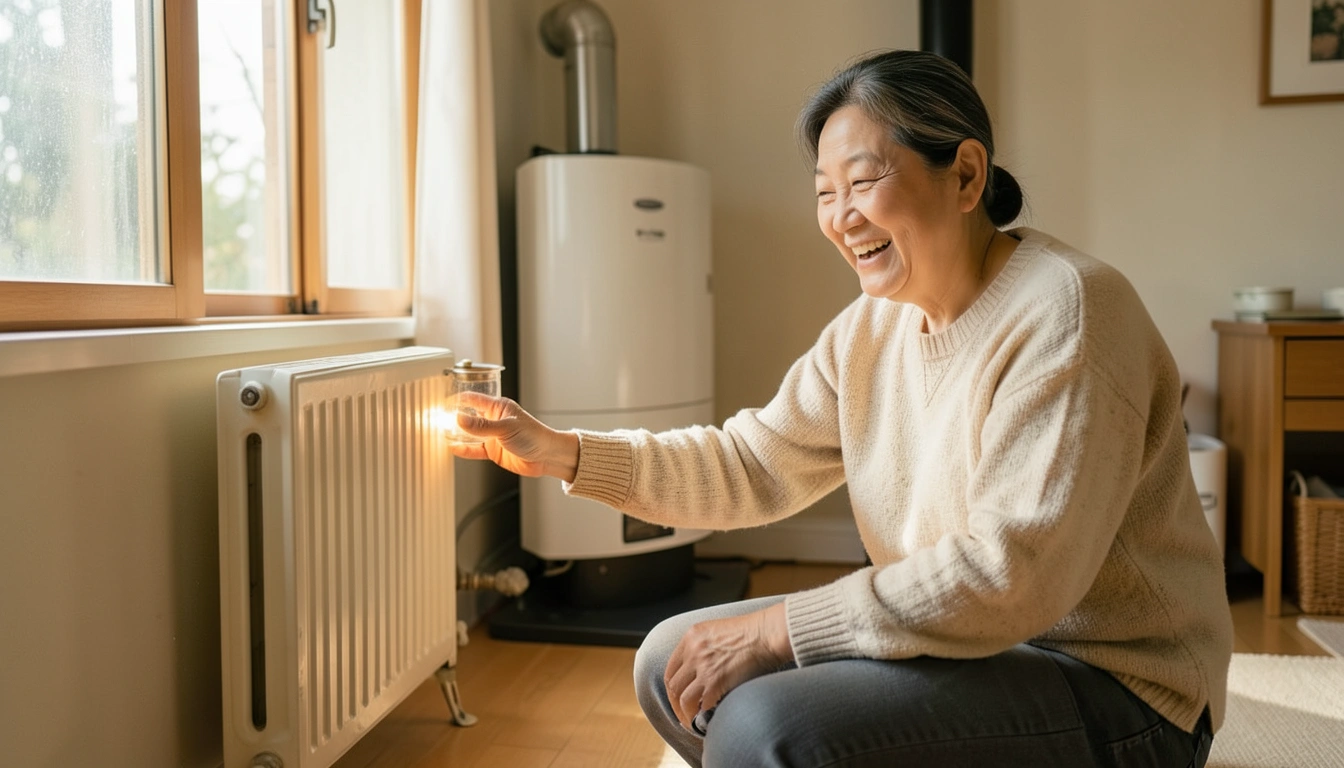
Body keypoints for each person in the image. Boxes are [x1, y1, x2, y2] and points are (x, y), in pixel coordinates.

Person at [450, 49, 1233, 767]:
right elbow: (751, 464)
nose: (841, 217)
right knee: (672, 660)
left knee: (763, 728)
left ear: (965, 177)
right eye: (826, 194)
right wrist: (561, 452)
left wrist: (780, 630)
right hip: (977, 648)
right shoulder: (871, 329)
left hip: (1119, 693)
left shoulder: (1069, 310)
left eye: (862, 184)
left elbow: (1012, 575)